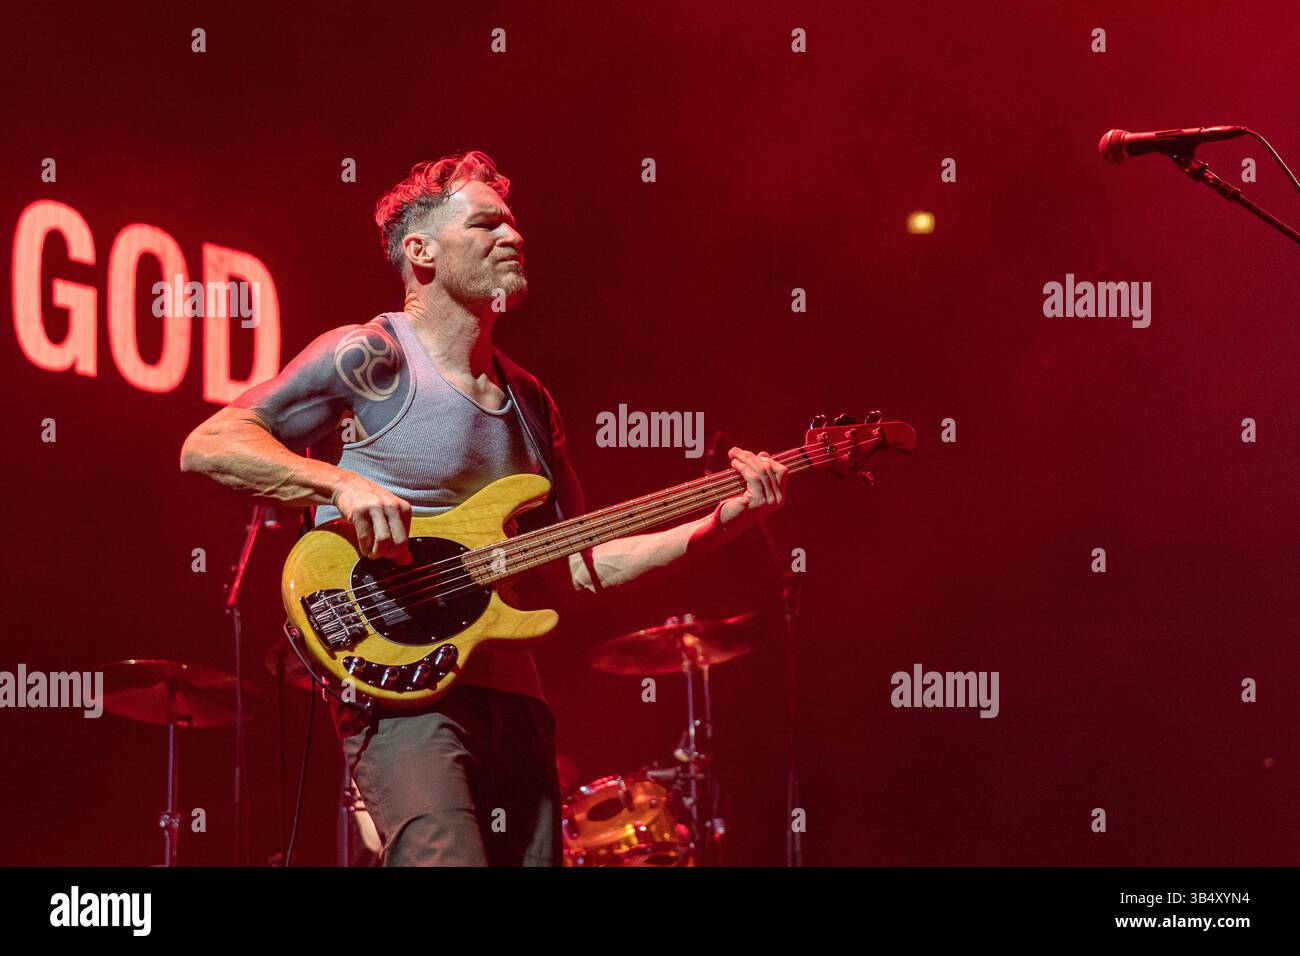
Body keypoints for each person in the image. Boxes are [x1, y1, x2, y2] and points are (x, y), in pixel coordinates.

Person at [179, 149, 788, 865]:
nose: (514, 237)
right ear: (421, 250)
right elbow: (211, 443)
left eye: (515, 225)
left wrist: (719, 526)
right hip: (403, 693)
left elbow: (576, 571)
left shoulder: (530, 401)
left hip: (516, 702)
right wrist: (336, 484)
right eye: (487, 224)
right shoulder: (371, 356)